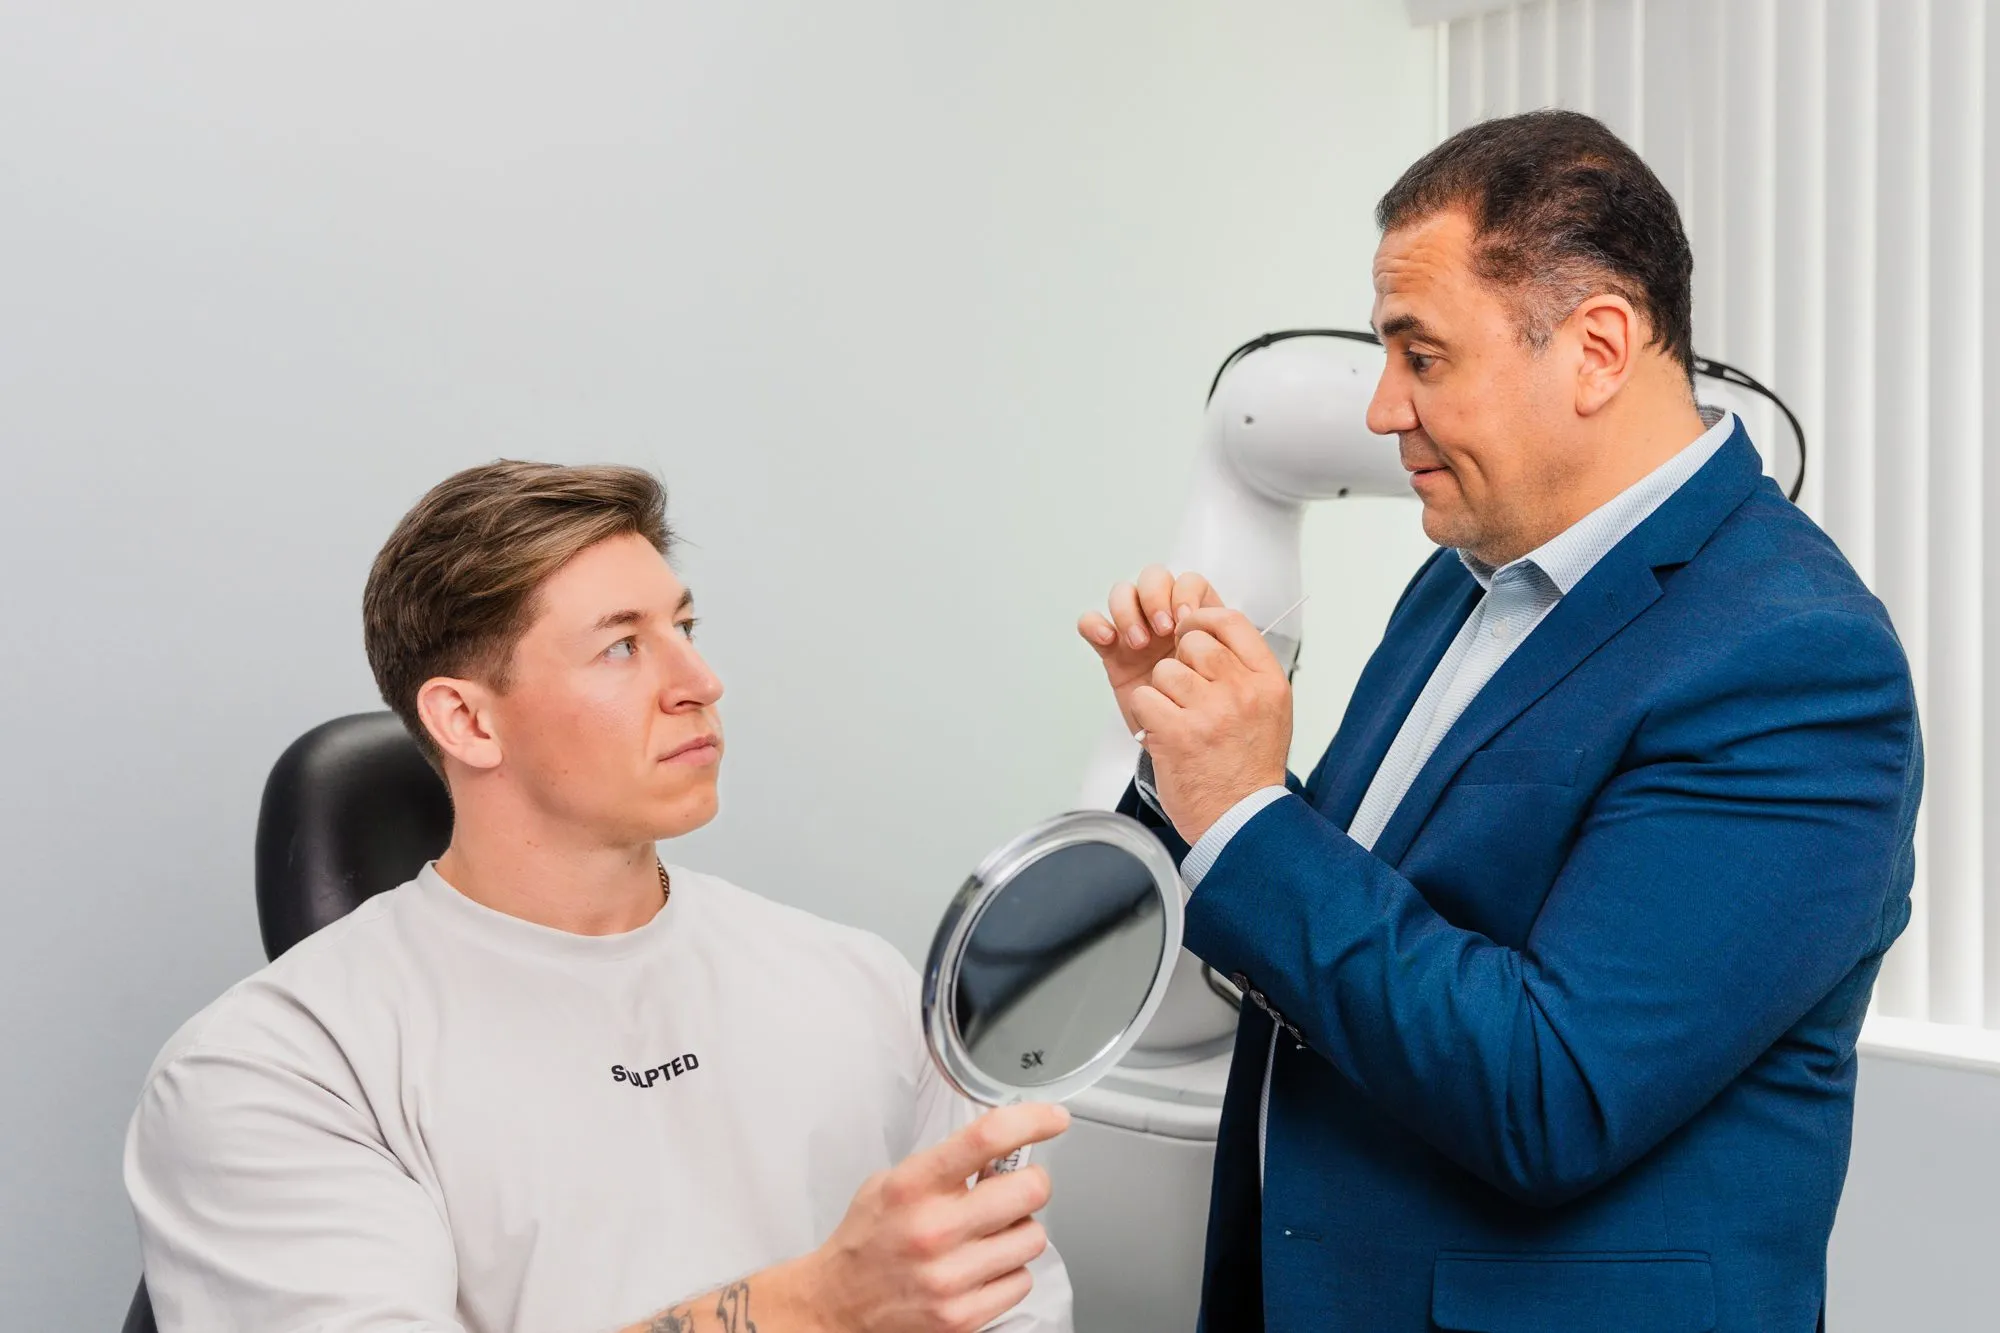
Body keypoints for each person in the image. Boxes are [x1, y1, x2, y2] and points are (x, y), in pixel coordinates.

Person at [1081, 110, 1920, 1332]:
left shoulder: (1793, 662)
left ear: (1594, 348)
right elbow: (1362, 903)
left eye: (1421, 357)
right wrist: (1186, 753)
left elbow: (1551, 1089)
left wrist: (1248, 814)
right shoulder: (1462, 574)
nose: (1380, 409)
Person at [127, 461, 1073, 1333]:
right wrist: (814, 1306)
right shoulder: (282, 1068)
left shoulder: (854, 981)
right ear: (466, 719)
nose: (700, 683)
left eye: (685, 630)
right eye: (623, 647)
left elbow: (1012, 1305)